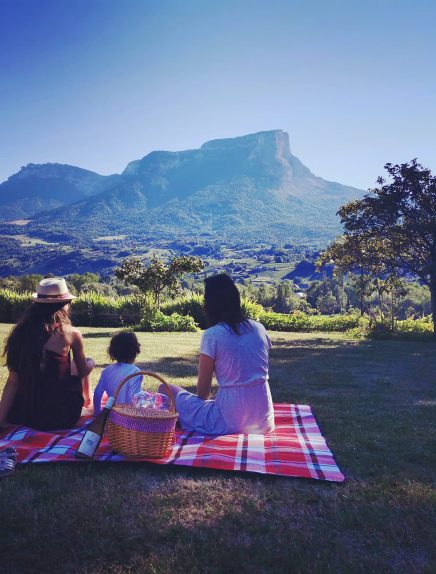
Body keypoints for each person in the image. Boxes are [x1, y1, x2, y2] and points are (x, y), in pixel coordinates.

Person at [159, 274, 275, 435]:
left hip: (229, 422)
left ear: (210, 304)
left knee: (165, 388)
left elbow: (202, 393)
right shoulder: (259, 328)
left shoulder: (213, 335)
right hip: (264, 420)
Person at [0, 277, 95, 430]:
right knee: (86, 362)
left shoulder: (20, 333)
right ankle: (87, 402)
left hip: (27, 413)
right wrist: (92, 363)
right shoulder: (70, 333)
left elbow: (13, 381)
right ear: (65, 305)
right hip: (59, 415)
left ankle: (86, 403)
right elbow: (83, 371)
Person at [93, 331, 142, 415]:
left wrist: (97, 413)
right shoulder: (135, 372)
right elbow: (134, 400)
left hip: (112, 415)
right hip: (128, 418)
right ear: (135, 351)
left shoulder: (107, 370)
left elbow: (97, 394)